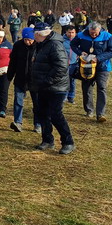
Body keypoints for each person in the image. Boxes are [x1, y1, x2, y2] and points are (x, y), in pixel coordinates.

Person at [30, 23, 74, 154]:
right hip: (44, 86)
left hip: (56, 87)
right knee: (42, 113)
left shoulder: (55, 45)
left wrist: (47, 80)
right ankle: (47, 140)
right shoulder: (40, 45)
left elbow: (61, 67)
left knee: (56, 115)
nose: (33, 36)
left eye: (35, 34)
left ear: (40, 34)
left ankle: (68, 142)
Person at [71, 21, 112, 122]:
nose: (93, 35)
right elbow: (73, 45)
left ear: (99, 30)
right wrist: (80, 53)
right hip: (86, 64)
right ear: (88, 29)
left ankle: (100, 114)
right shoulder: (81, 35)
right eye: (91, 32)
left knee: (102, 87)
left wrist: (99, 58)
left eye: (95, 33)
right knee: (87, 87)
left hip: (103, 66)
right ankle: (89, 110)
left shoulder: (107, 36)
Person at [7, 27, 39, 133]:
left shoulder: (39, 46)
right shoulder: (17, 45)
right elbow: (13, 62)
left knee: (37, 103)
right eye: (26, 40)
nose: (28, 42)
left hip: (35, 79)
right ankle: (18, 122)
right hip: (20, 78)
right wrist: (10, 75)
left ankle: (38, 124)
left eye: (30, 40)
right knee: (18, 101)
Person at [63, 26, 79, 104]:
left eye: (73, 32)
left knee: (72, 81)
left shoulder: (78, 40)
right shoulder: (62, 40)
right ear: (66, 32)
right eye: (69, 32)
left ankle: (71, 97)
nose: (71, 34)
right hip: (64, 64)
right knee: (64, 81)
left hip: (74, 64)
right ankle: (64, 96)